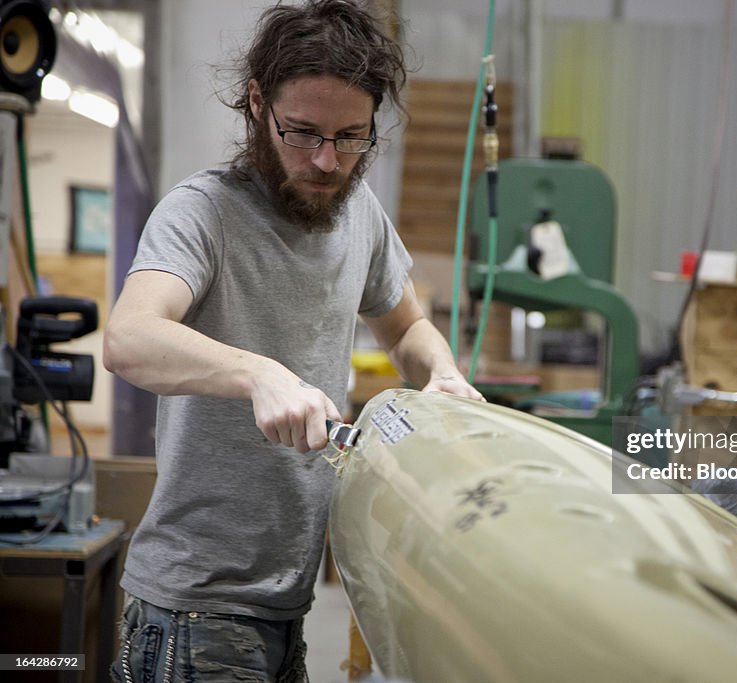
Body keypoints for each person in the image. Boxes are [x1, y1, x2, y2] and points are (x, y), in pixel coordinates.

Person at [102, 1, 482, 680]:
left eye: (351, 136)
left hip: (285, 601)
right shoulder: (203, 213)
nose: (326, 160)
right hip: (198, 611)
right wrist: (257, 373)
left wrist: (441, 372)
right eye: (301, 132)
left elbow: (407, 327)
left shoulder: (358, 212)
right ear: (256, 104)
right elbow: (129, 338)